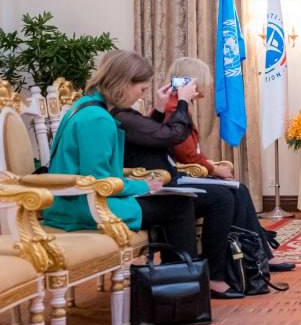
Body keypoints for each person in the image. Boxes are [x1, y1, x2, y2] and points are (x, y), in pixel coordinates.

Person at [42, 50, 198, 265]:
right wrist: (144, 186)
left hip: (70, 202)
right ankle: (181, 281)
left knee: (168, 204)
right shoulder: (98, 119)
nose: (141, 96)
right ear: (124, 84)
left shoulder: (83, 106)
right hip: (84, 208)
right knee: (179, 206)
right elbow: (100, 181)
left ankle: (167, 278)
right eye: (141, 89)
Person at [162, 57, 294, 274]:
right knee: (234, 191)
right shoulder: (175, 108)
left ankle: (257, 256)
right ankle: (246, 259)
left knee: (240, 190)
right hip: (181, 177)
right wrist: (214, 169)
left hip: (190, 172)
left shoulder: (180, 106)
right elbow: (185, 154)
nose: (209, 84)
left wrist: (211, 167)